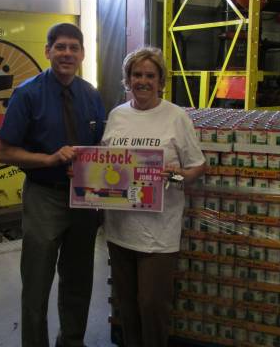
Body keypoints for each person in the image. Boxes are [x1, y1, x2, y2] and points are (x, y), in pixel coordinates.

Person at [0, 23, 105, 347]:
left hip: (83, 200)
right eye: (60, 47)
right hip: (45, 196)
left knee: (78, 278)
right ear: (48, 52)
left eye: (74, 47)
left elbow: (100, 148)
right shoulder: (27, 94)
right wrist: (49, 159)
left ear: (83, 54)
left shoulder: (91, 95)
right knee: (37, 282)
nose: (67, 53)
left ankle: (71, 341)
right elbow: (4, 152)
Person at [101, 47, 206, 347]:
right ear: (128, 79)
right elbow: (105, 165)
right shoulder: (117, 115)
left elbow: (198, 166)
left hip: (159, 233)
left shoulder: (176, 117)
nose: (143, 81)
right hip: (120, 228)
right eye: (137, 75)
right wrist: (83, 177)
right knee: (127, 305)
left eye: (150, 75)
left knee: (152, 304)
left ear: (161, 81)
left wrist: (173, 176)